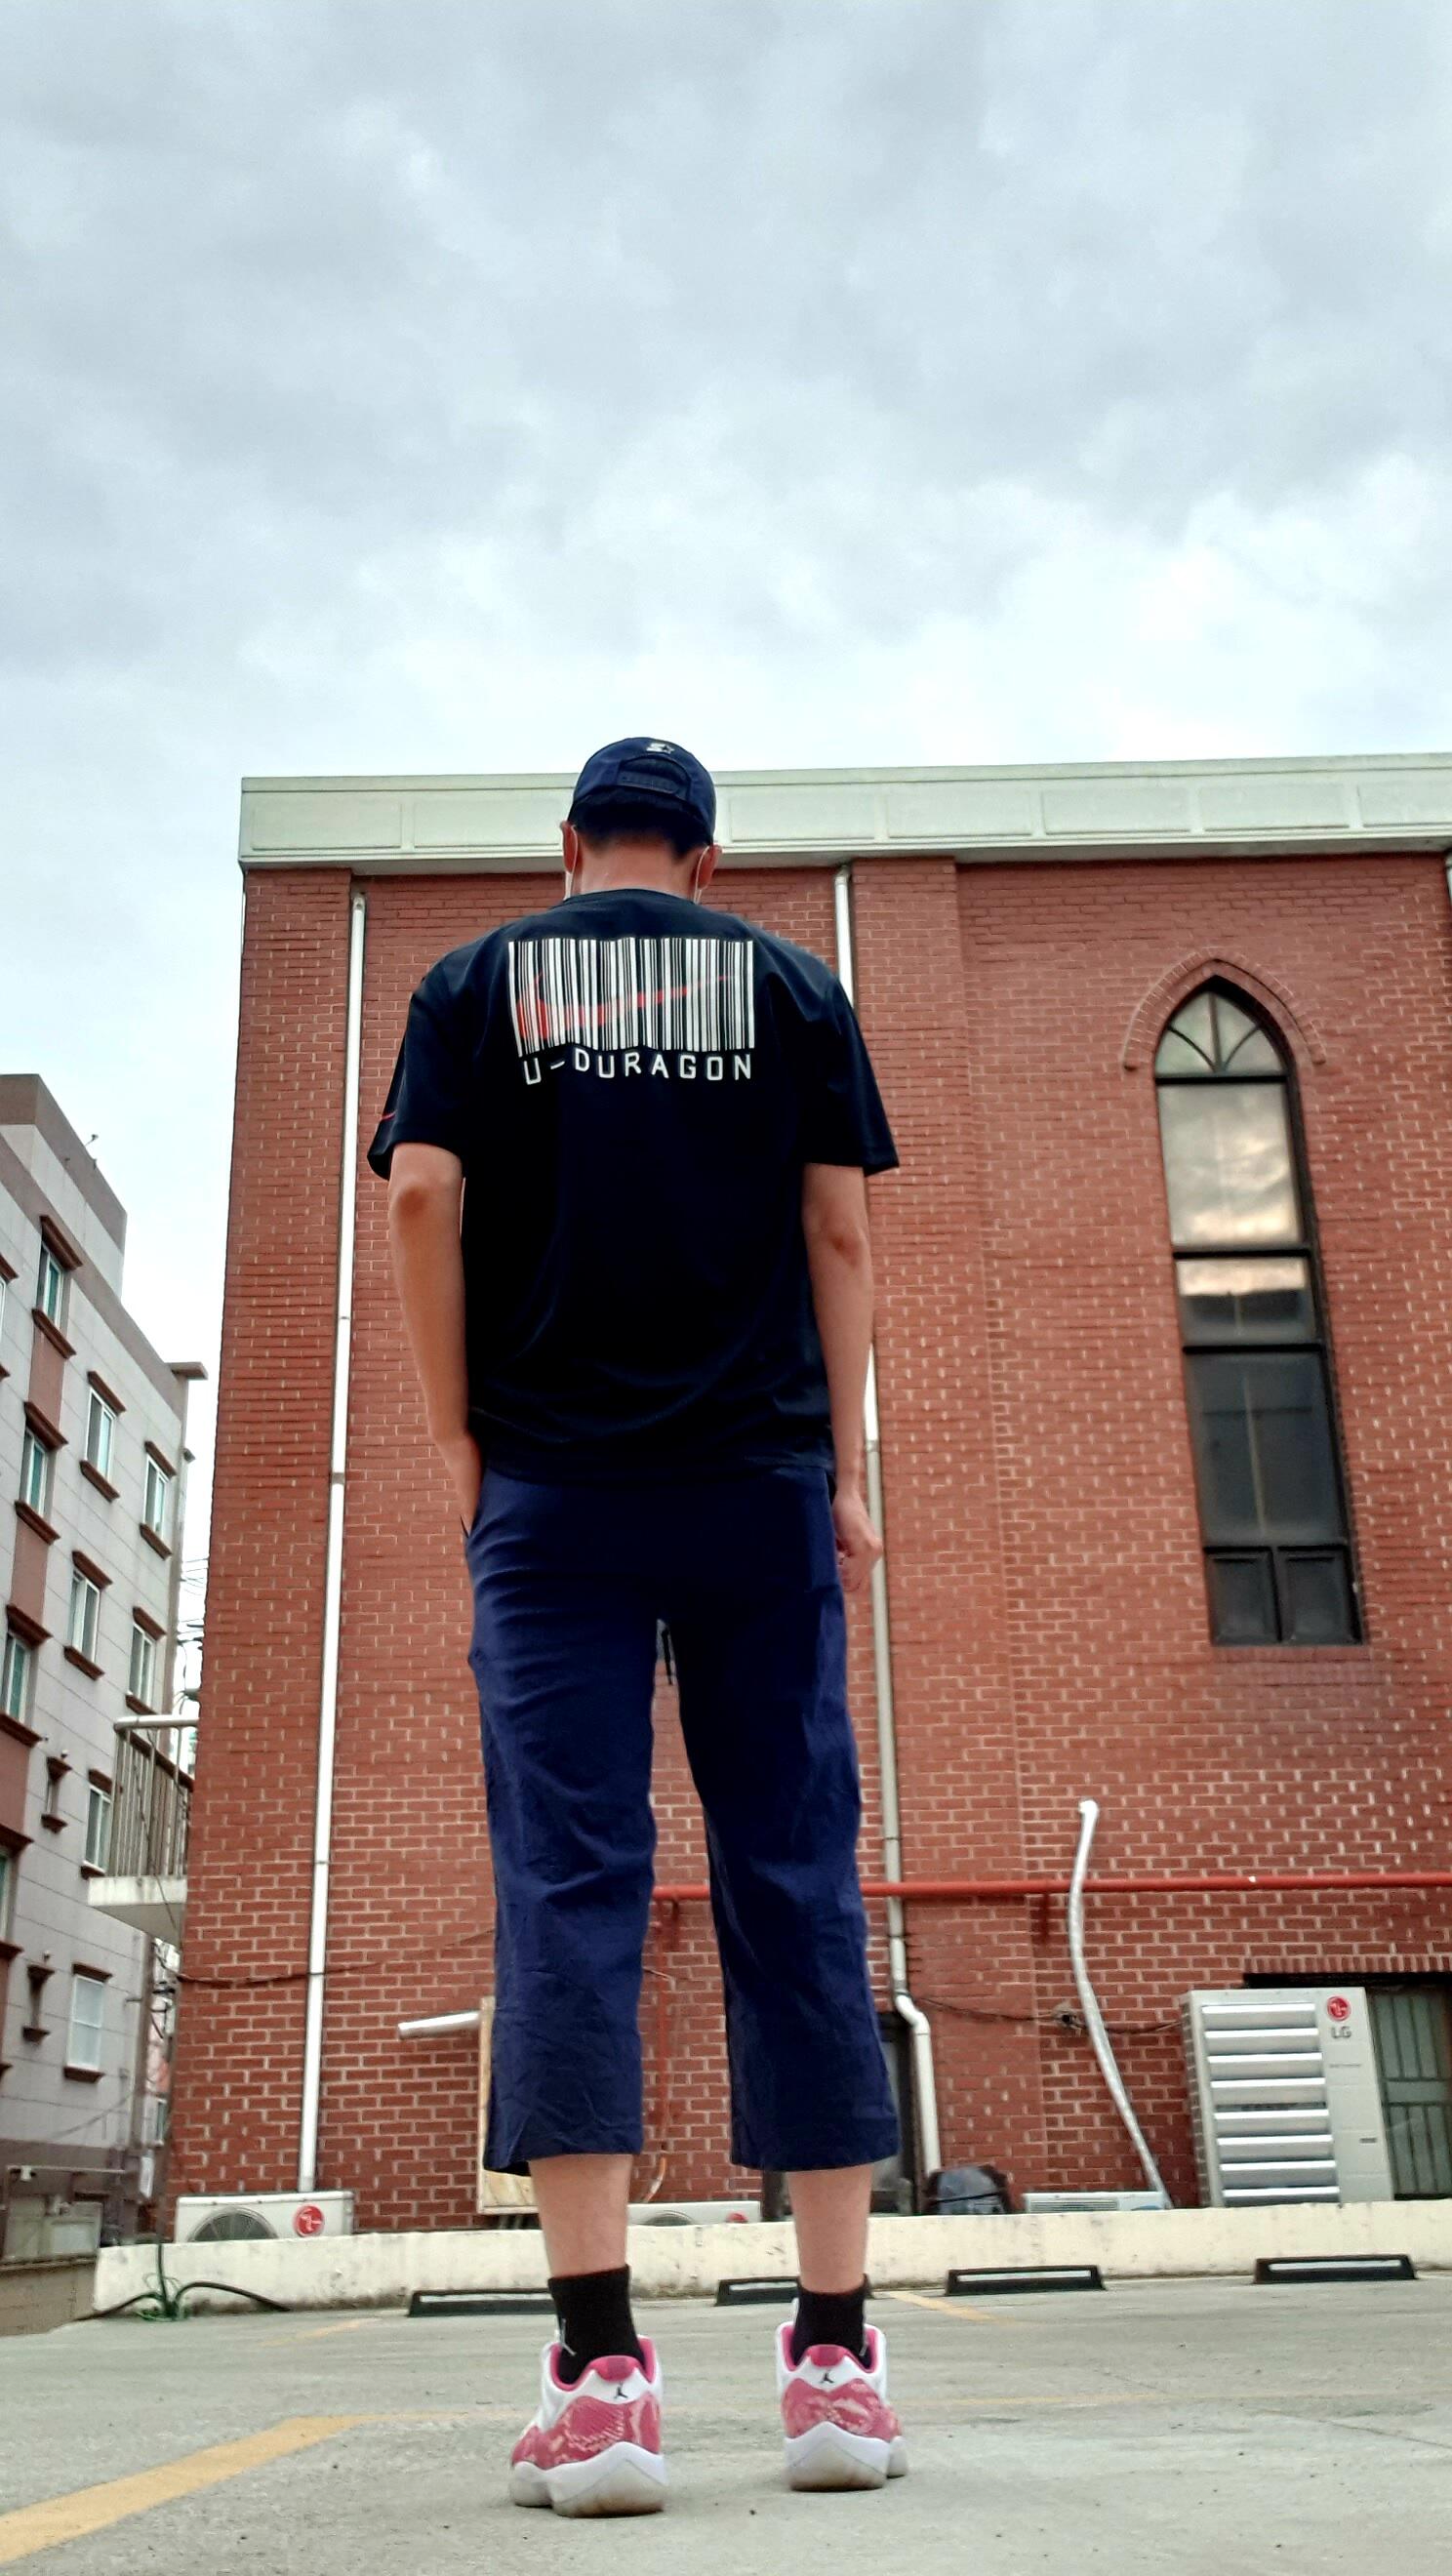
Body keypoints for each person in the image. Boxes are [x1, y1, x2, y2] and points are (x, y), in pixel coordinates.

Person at [368, 736, 908, 2515]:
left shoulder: (470, 982)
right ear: (705, 858)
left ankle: (602, 2378)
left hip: (554, 1499)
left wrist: (458, 1438)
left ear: (571, 844)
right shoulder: (797, 989)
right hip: (756, 1486)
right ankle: (834, 2364)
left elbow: (423, 1196)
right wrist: (844, 1469)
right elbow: (839, 1238)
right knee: (795, 1875)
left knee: (571, 1882)